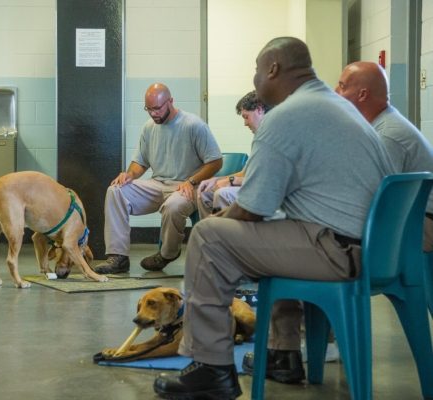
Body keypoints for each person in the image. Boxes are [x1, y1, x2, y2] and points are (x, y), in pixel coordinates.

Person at [152, 37, 395, 399]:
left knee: (207, 236)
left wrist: (221, 219)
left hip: (338, 250)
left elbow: (252, 208)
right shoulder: (335, 106)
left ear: (273, 69)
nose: (255, 78)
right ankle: (283, 353)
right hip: (372, 248)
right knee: (265, 234)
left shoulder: (286, 116)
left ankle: (211, 368)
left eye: (256, 70)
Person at [94, 83, 223, 274]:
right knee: (115, 191)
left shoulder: (194, 125)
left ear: (170, 101)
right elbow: (140, 162)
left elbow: (216, 162)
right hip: (158, 184)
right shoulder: (149, 127)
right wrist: (129, 175)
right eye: (149, 109)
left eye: (157, 108)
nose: (153, 114)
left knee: (173, 206)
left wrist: (192, 181)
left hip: (188, 185)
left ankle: (167, 254)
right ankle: (118, 257)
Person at [336, 61, 433, 251]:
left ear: (362, 94)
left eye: (342, 86)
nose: (335, 92)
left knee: (335, 236)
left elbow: (370, 199)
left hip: (424, 223)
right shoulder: (383, 124)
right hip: (416, 217)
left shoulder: (387, 136)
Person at [196, 91, 271, 219]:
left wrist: (232, 181)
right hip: (255, 187)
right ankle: (210, 229)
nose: (245, 123)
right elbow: (245, 173)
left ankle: (225, 231)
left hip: (268, 193)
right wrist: (216, 180)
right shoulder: (259, 138)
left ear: (259, 110)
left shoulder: (276, 137)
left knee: (223, 194)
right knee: (205, 192)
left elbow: (268, 180)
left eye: (246, 117)